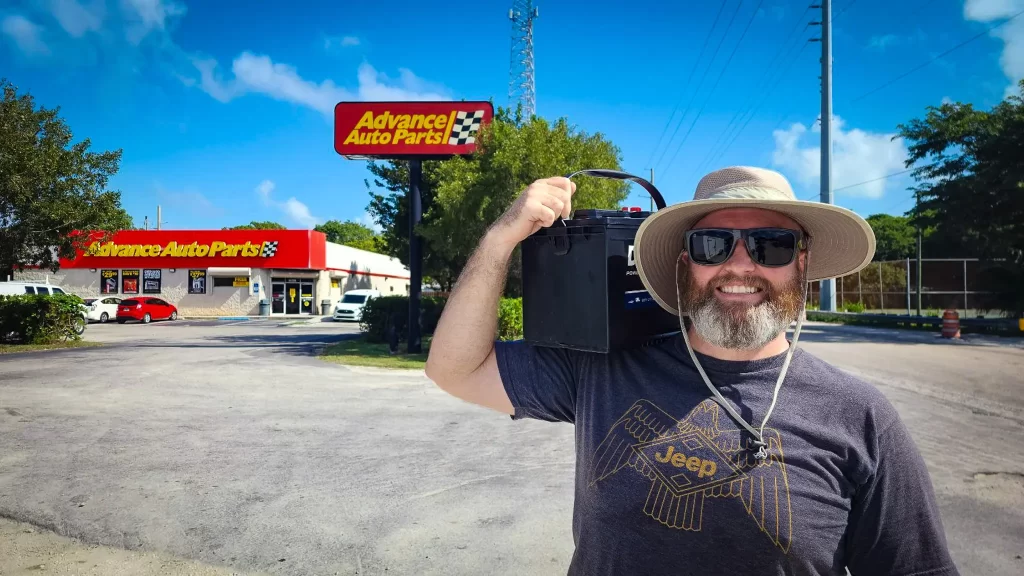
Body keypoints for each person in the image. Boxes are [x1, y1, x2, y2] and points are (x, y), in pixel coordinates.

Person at [425, 166, 958, 576]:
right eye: (713, 244)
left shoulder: (860, 416)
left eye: (772, 245)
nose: (741, 265)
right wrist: (501, 239)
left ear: (803, 262)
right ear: (685, 262)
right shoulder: (605, 369)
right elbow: (455, 368)